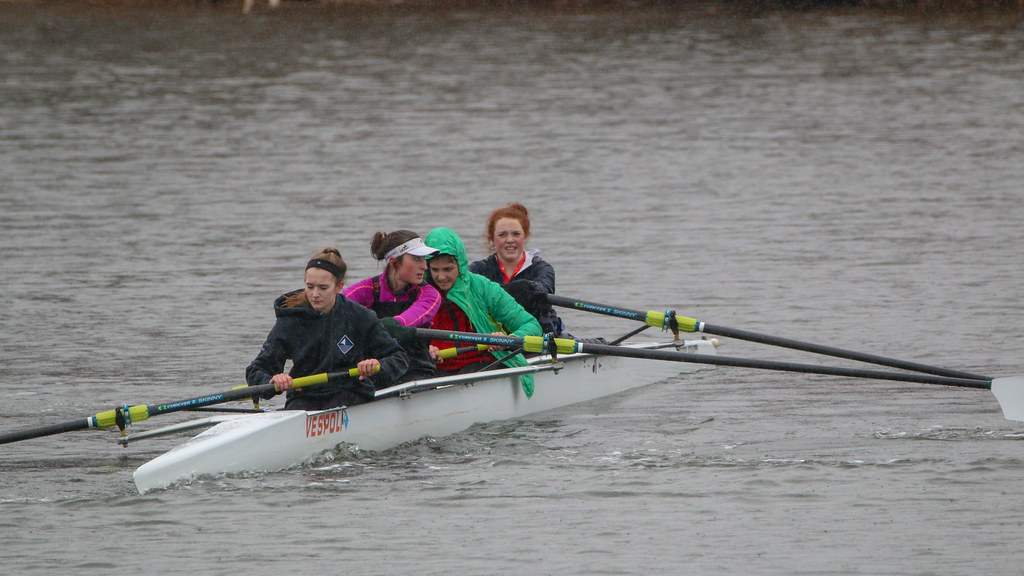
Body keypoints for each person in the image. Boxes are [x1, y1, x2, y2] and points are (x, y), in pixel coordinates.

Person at [246, 246, 409, 411]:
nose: (315, 294)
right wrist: (273, 381)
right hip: (305, 397)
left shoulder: (360, 316)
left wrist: (376, 367)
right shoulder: (290, 320)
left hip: (352, 394)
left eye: (323, 288)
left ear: (339, 286)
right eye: (310, 287)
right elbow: (257, 369)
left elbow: (398, 357)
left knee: (342, 399)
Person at [423, 227, 542, 397]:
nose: (441, 277)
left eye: (448, 269)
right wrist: (423, 349)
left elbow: (531, 325)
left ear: (460, 264)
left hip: (481, 361)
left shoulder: (482, 287)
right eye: (435, 270)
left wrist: (508, 340)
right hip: (435, 365)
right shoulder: (420, 292)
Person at [342, 230, 441, 383]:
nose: (424, 266)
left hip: (416, 370)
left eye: (423, 259)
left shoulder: (429, 294)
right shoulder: (365, 290)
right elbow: (334, 308)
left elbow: (401, 323)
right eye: (416, 259)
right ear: (394, 263)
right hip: (376, 370)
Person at [469, 202, 565, 336]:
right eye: (502, 235)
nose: (510, 240)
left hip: (537, 337)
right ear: (492, 238)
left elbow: (543, 288)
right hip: (491, 337)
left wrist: (523, 288)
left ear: (525, 236)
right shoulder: (478, 270)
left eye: (516, 234)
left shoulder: (542, 269)